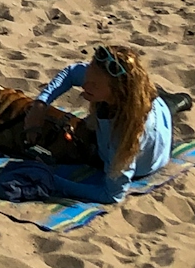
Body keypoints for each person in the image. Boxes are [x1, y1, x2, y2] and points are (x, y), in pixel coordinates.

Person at [28, 44, 173, 204]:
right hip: (160, 109)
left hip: (145, 159)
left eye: (94, 85)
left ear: (118, 91)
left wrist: (53, 180)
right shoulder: (102, 78)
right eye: (87, 77)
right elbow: (71, 73)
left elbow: (112, 195)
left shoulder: (123, 136)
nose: (84, 85)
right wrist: (41, 104)